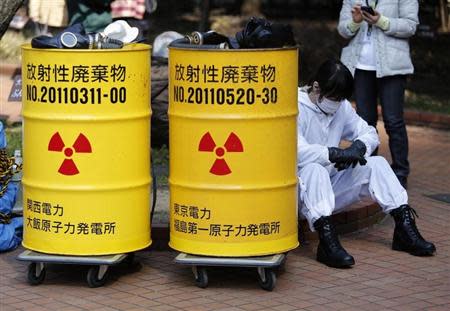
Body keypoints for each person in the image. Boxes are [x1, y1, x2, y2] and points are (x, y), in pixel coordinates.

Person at [297, 59, 435, 268]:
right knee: (314, 169)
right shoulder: (296, 107)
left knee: (377, 163)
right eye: (334, 98)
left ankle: (404, 228)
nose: (337, 104)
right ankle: (326, 242)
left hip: (328, 189)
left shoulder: (341, 106)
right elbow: (297, 152)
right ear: (317, 87)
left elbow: (369, 132)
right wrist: (334, 154)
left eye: (341, 98)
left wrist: (358, 148)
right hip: (298, 192)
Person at [337, 0, 418, 189]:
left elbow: (410, 25)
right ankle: (367, 169)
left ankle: (400, 172)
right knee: (365, 122)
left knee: (393, 121)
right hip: (360, 67)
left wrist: (381, 21)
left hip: (393, 67)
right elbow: (343, 29)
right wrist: (355, 22)